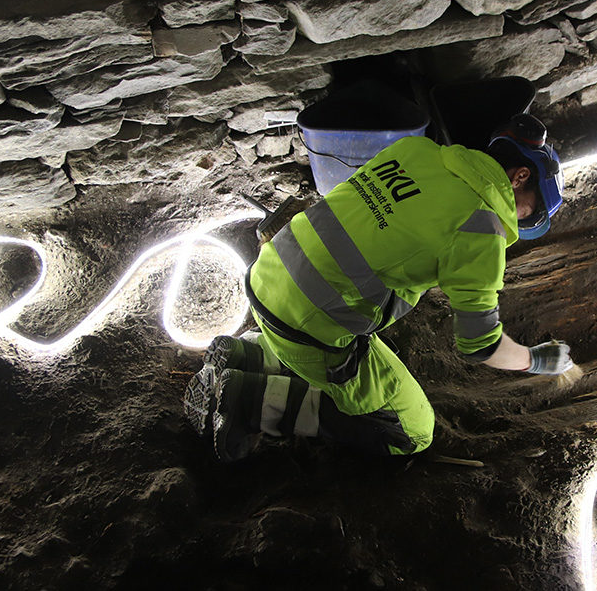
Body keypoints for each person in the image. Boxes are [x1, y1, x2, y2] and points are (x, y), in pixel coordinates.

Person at [183, 114, 574, 461]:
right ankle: (247, 402)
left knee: (330, 325)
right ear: (520, 176)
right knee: (413, 430)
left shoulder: (418, 150)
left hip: (267, 275)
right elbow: (481, 346)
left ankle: (247, 355)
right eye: (531, 210)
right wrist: (536, 361)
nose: (523, 220)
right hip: (309, 322)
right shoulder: (481, 230)